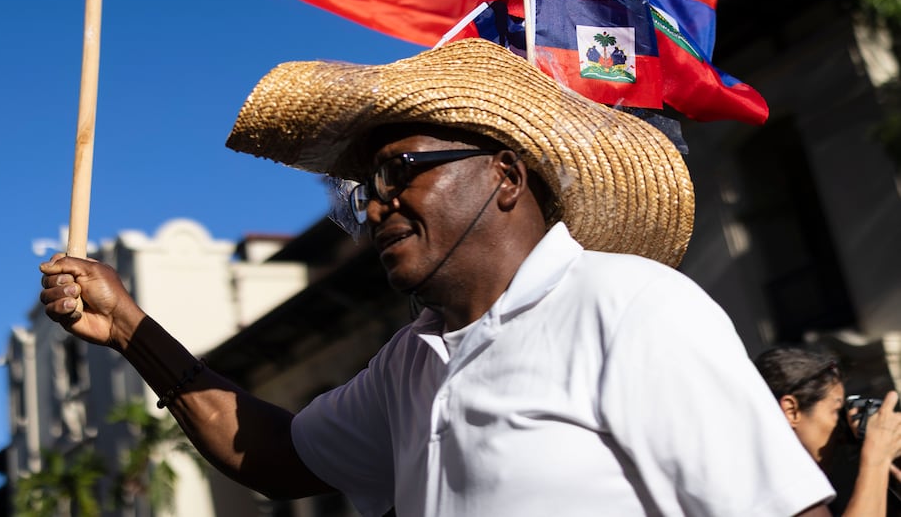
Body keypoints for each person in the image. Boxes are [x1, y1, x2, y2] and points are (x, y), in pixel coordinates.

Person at [41, 37, 836, 515]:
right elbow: (274, 456)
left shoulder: (629, 306)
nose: (375, 204)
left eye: (400, 172)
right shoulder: (411, 364)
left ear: (504, 175)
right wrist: (129, 329)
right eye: (364, 190)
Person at [755, 346, 901, 517]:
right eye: (835, 411)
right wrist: (876, 458)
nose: (841, 433)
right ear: (791, 411)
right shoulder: (771, 490)